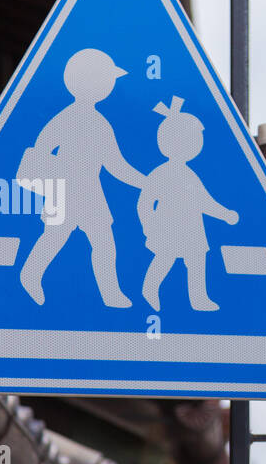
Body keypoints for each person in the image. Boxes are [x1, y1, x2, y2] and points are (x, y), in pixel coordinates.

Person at [18, 48, 144, 307]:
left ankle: (110, 294)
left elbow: (115, 164)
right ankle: (30, 275)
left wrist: (144, 182)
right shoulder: (69, 118)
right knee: (56, 238)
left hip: (89, 193)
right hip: (65, 191)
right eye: (108, 80)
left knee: (103, 242)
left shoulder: (99, 123)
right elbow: (41, 147)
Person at [137, 96, 238, 312]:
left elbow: (204, 201)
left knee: (197, 260)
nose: (196, 144)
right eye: (192, 139)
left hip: (192, 229)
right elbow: (144, 202)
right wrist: (148, 225)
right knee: (165, 257)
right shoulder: (160, 174)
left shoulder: (191, 176)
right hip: (168, 227)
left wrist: (224, 214)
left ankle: (199, 299)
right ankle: (149, 288)